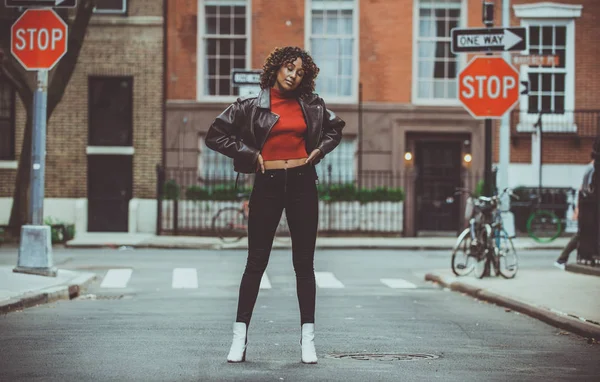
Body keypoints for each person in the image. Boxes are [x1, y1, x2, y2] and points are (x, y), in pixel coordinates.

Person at [205, 46, 345, 364]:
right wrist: (249, 154)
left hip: (302, 183)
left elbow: (335, 129)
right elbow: (215, 135)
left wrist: (319, 151)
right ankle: (239, 338)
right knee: (256, 263)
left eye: (299, 72)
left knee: (304, 265)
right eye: (288, 68)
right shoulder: (249, 106)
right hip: (267, 184)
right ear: (276, 68)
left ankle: (307, 340)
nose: (293, 75)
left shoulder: (313, 105)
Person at [554, 160, 595, 270]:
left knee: (584, 234)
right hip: (589, 207)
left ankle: (566, 259)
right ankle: (562, 259)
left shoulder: (590, 168)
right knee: (583, 234)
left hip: (588, 206)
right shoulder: (593, 168)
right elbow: (586, 189)